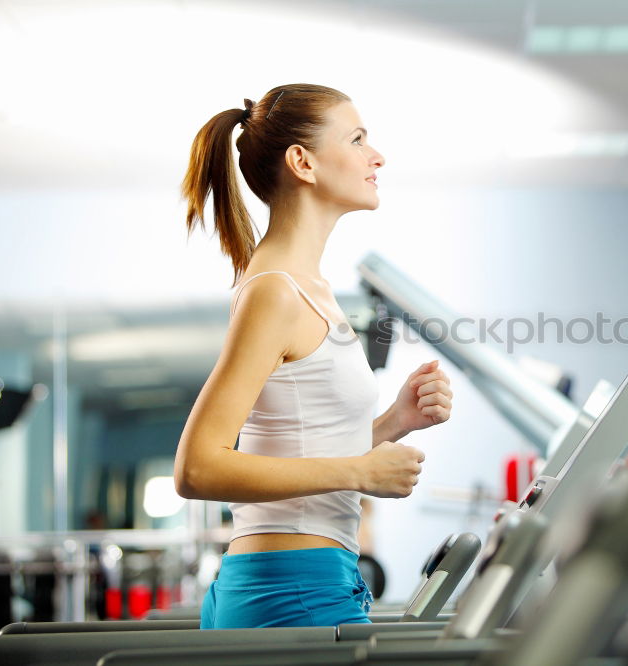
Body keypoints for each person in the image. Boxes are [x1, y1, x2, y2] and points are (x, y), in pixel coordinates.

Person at [174, 84, 454, 629]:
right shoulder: (275, 291)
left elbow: (297, 445)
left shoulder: (310, 288)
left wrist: (395, 422)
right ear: (302, 162)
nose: (378, 156)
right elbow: (197, 467)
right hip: (289, 586)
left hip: (309, 573)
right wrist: (359, 472)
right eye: (357, 139)